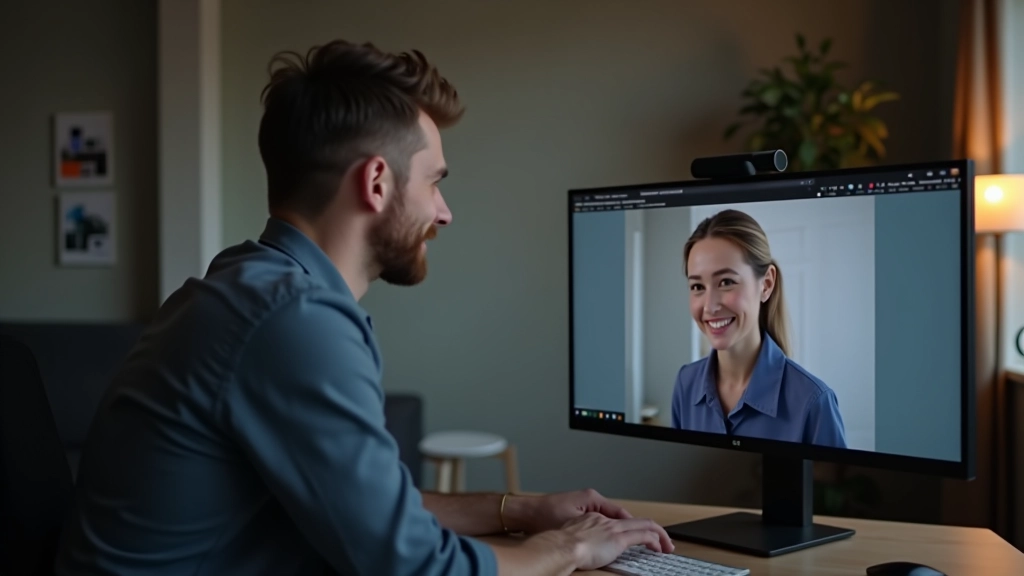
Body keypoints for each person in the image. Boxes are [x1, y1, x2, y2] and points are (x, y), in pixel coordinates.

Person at [54, 40, 673, 576]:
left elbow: (373, 512)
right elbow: (413, 565)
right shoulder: (292, 319)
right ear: (377, 182)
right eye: (434, 181)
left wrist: (521, 509)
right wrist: (567, 548)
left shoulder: (247, 284)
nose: (444, 212)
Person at [669, 209, 846, 448]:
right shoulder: (685, 383)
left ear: (766, 284)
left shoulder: (814, 402)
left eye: (726, 282)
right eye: (697, 286)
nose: (709, 306)